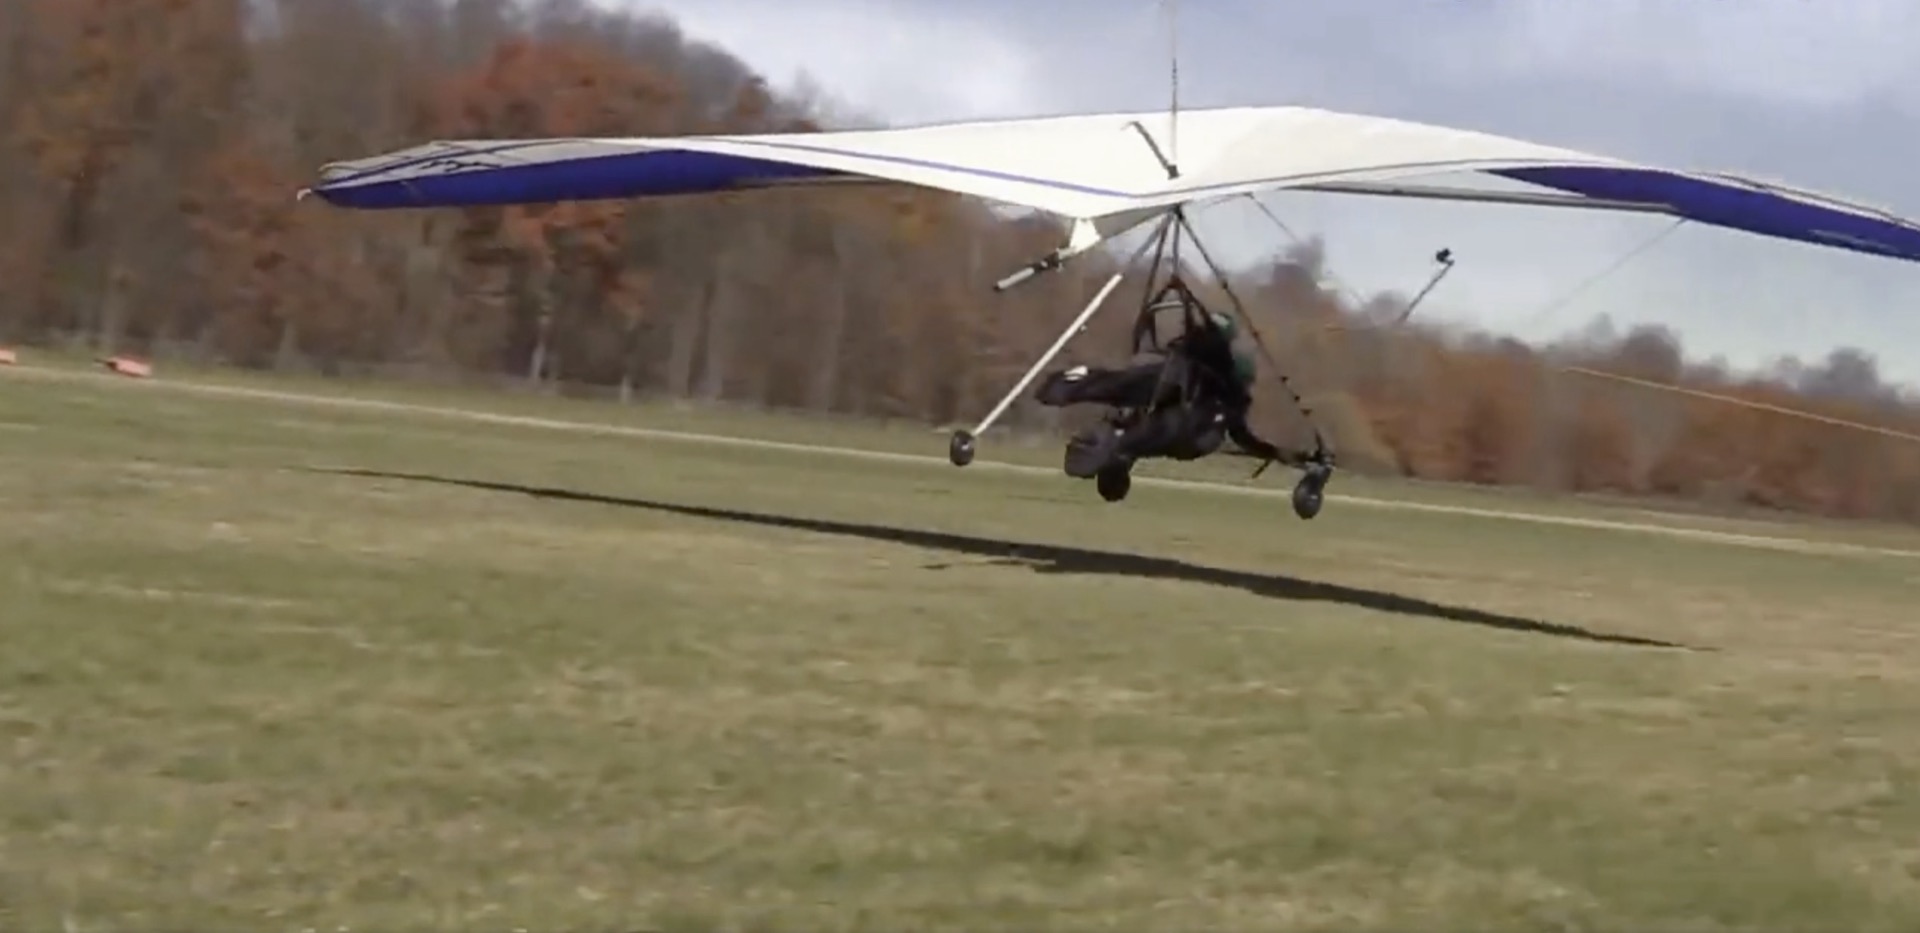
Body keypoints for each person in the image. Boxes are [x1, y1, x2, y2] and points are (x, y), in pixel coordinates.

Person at [1035, 308, 1303, 477]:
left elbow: (1243, 437)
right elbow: (1244, 438)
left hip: (1187, 432)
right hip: (1176, 420)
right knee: (1141, 393)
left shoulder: (1221, 398)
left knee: (1153, 413)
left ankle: (1116, 444)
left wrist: (1277, 453)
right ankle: (1114, 442)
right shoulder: (1187, 370)